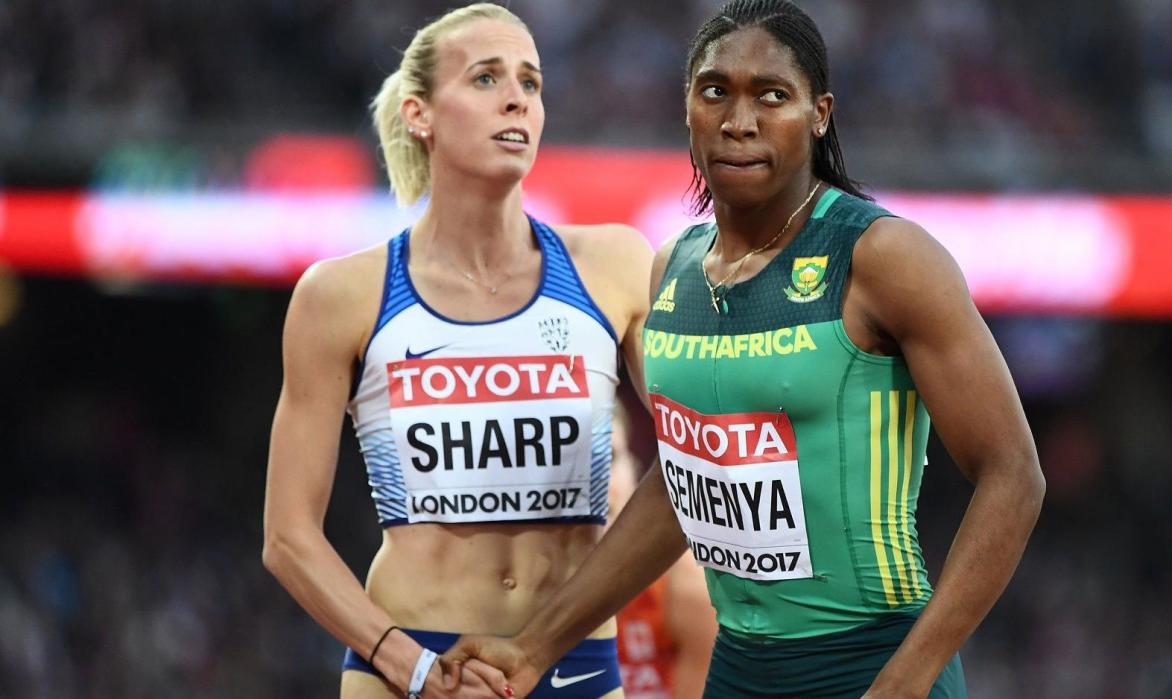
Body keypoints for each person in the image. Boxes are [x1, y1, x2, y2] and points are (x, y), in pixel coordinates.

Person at [439, 2, 1046, 697]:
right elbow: (684, 483)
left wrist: (907, 678)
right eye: (715, 91)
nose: (739, 120)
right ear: (688, 108)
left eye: (771, 95)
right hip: (735, 671)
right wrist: (534, 646)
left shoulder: (883, 256)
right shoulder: (673, 269)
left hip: (871, 662)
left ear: (820, 113)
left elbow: (1014, 474)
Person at [261, 4, 653, 698]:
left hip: (571, 657)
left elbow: (694, 467)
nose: (517, 98)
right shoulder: (341, 295)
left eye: (531, 83)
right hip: (410, 663)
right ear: (420, 114)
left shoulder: (616, 265)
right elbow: (288, 536)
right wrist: (412, 667)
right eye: (485, 78)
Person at [607, 401, 716, 699]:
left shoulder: (686, 587)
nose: (599, 484)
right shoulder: (514, 589)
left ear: (636, 468)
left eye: (611, 458)